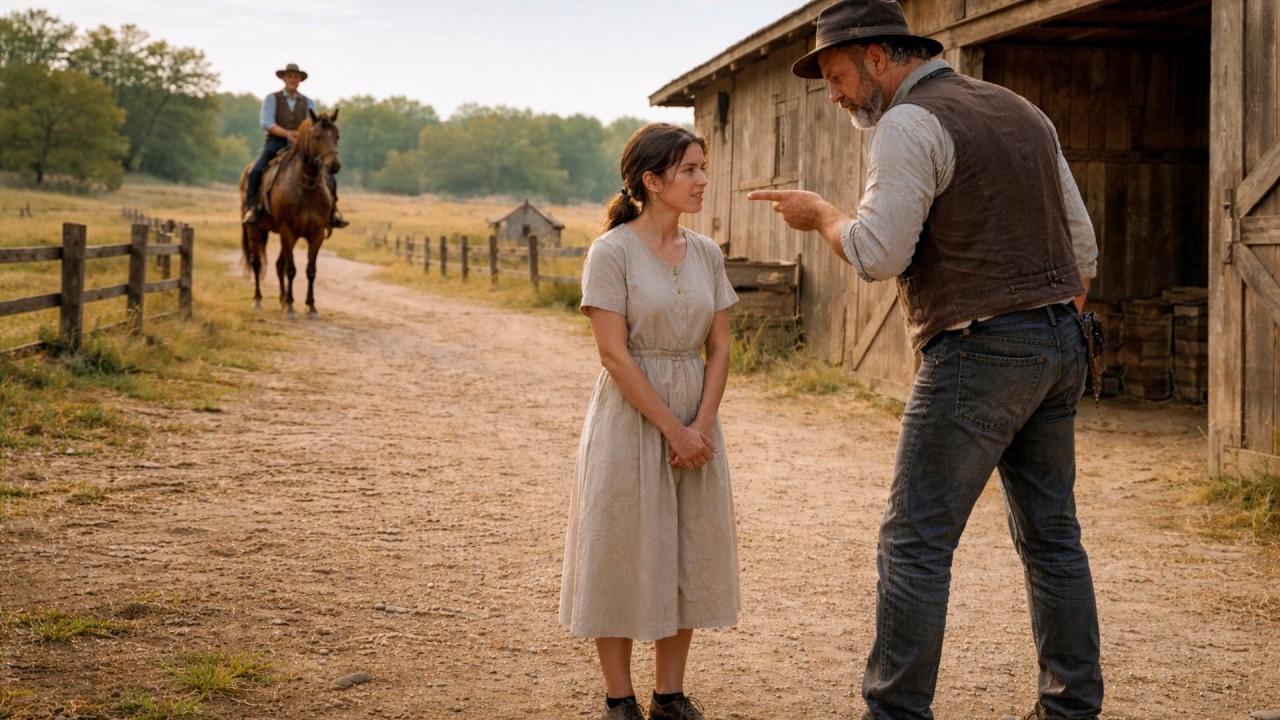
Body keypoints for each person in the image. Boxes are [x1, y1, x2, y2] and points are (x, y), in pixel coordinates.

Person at [746, 1, 1103, 719]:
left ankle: (895, 713)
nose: (837, 94)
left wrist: (820, 217)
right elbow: (1084, 249)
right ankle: (1071, 710)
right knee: (1053, 539)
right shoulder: (1021, 110)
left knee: (913, 544)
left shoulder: (909, 122)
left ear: (878, 57)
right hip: (1062, 342)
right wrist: (1045, 324)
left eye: (839, 76)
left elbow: (879, 254)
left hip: (979, 348)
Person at [559, 123, 740, 720]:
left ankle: (670, 693)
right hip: (631, 418)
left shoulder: (708, 253)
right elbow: (613, 354)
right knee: (620, 548)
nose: (701, 180)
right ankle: (619, 698)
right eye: (689, 170)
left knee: (686, 547)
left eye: (701, 167)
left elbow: (721, 346)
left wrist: (702, 425)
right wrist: (673, 429)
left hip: (696, 415)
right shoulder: (611, 251)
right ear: (652, 181)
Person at [242, 62, 347, 229]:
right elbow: (266, 123)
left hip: (300, 145)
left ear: (300, 80)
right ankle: (252, 208)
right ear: (283, 78)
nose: (292, 79)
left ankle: (332, 213)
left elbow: (314, 126)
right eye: (289, 76)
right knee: (255, 171)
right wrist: (287, 134)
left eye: (295, 77)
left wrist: (299, 136)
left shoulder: (308, 102)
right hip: (275, 142)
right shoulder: (271, 99)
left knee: (328, 176)